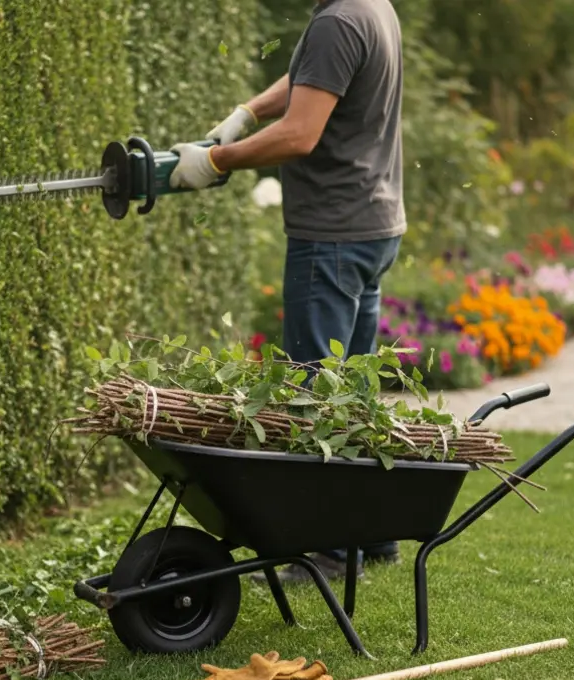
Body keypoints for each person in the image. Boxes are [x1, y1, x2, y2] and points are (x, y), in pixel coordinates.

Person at [169, 0, 405, 582]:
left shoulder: (337, 21)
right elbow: (314, 78)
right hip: (372, 227)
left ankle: (327, 551)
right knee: (352, 388)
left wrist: (216, 160)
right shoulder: (368, 7)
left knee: (314, 393)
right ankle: (373, 533)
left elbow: (300, 134)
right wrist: (248, 112)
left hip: (331, 237)